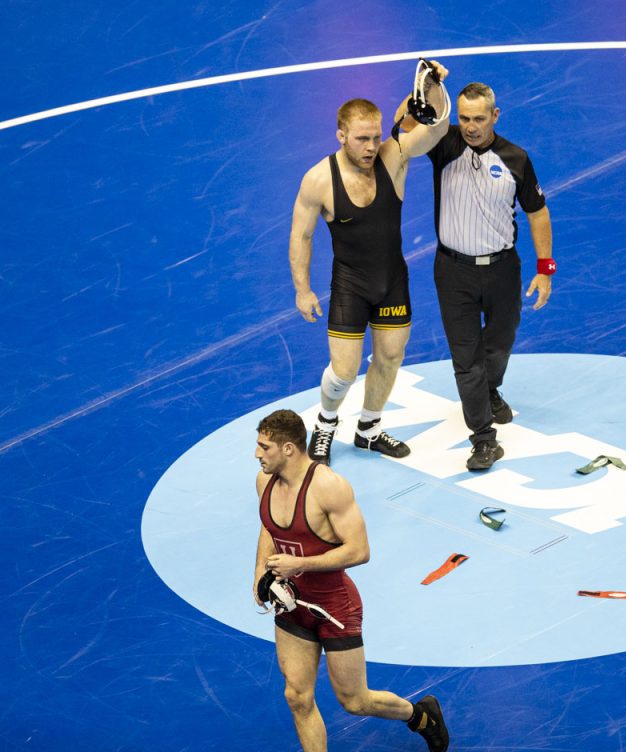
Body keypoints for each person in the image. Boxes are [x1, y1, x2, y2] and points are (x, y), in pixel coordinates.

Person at [252, 409, 450, 752]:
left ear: (288, 449)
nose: (258, 454)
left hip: (334, 604)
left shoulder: (329, 487)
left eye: (264, 447)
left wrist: (299, 562)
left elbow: (359, 551)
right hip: (292, 601)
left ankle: (421, 716)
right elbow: (270, 526)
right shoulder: (264, 481)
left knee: (355, 701)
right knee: (297, 696)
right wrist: (260, 572)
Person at [290, 62, 450, 466]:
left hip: (392, 280)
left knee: (391, 356)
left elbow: (436, 128)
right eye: (361, 139)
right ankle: (325, 424)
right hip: (350, 285)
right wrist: (302, 288)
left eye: (375, 136)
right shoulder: (318, 180)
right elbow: (302, 236)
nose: (369, 146)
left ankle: (369, 428)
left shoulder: (392, 156)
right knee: (343, 371)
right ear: (340, 135)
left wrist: (433, 87)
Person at [403, 81, 554, 471]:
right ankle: (484, 439)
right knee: (466, 357)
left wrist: (545, 269)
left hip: (504, 270)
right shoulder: (444, 144)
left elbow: (537, 213)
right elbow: (404, 128)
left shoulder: (515, 158)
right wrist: (424, 86)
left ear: (495, 116)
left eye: (479, 119)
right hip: (453, 272)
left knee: (500, 344)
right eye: (464, 118)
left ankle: (490, 389)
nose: (470, 126)